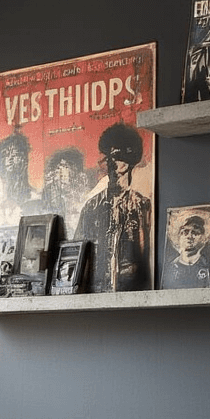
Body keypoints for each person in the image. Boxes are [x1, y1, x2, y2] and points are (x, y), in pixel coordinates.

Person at [74, 123, 152, 292]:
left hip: (132, 294)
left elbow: (147, 254)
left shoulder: (142, 206)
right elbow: (77, 254)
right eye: (108, 157)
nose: (112, 163)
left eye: (117, 156)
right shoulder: (91, 207)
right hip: (96, 295)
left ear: (129, 160)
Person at [0, 129, 41, 227]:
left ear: (24, 159)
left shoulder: (36, 199)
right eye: (6, 155)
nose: (9, 159)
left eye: (14, 154)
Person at [41, 146, 88, 237]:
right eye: (58, 168)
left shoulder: (86, 200)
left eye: (66, 166)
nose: (61, 172)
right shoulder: (54, 198)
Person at [162, 212, 210, 289]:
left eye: (195, 232)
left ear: (203, 238)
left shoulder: (208, 266)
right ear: (179, 237)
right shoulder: (171, 268)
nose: (189, 236)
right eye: (185, 232)